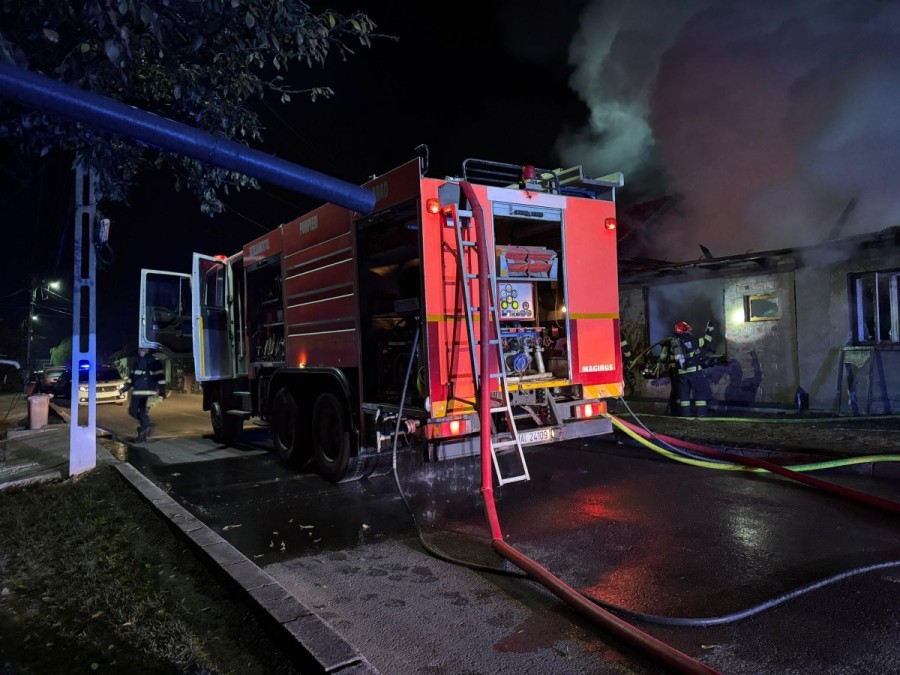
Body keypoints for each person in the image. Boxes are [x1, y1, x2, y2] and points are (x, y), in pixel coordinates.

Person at [658, 321, 715, 416]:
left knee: (684, 397)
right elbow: (707, 341)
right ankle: (701, 416)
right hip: (695, 373)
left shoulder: (672, 343)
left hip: (681, 374)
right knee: (700, 394)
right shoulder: (693, 340)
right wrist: (710, 328)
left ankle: (685, 417)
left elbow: (663, 358)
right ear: (685, 329)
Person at [120, 346, 166, 442]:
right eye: (139, 349)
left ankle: (142, 436)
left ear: (148, 350)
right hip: (137, 392)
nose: (140, 351)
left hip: (149, 393)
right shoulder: (136, 362)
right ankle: (146, 425)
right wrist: (125, 388)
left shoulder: (155, 362)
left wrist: (162, 392)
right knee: (132, 412)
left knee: (142, 413)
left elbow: (161, 378)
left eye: (142, 349)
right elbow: (132, 378)